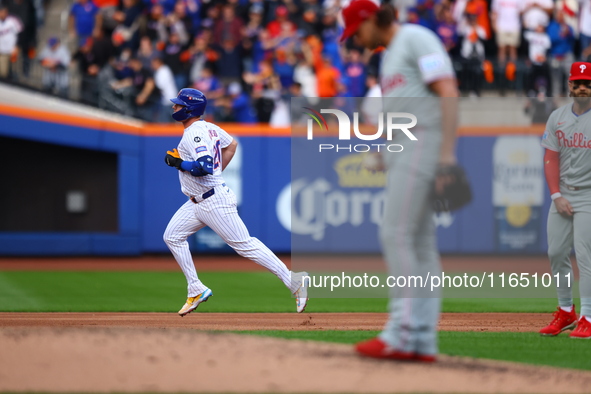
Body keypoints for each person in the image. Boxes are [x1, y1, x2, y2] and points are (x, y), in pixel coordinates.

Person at [340, 0, 459, 362]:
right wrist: (382, 152)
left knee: (396, 233)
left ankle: (401, 333)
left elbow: (448, 91)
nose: (357, 40)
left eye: (357, 31)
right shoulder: (391, 54)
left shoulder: (415, 37)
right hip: (406, 146)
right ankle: (422, 340)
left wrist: (447, 155)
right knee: (420, 243)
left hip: (423, 143)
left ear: (370, 19)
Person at [163, 88, 309, 317]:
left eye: (179, 105)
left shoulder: (195, 133)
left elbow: (204, 167)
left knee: (245, 245)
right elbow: (231, 145)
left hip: (213, 201)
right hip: (197, 201)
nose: (174, 107)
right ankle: (196, 288)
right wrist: (213, 173)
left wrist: (179, 163)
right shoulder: (209, 127)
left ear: (189, 109)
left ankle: (294, 280)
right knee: (172, 235)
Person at [539, 61, 591, 338]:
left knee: (585, 257)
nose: (582, 87)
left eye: (587, 83)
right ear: (570, 85)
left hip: (589, 195)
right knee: (556, 253)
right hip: (563, 195)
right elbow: (550, 158)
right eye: (578, 82)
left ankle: (588, 317)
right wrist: (556, 194)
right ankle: (566, 311)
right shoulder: (557, 117)